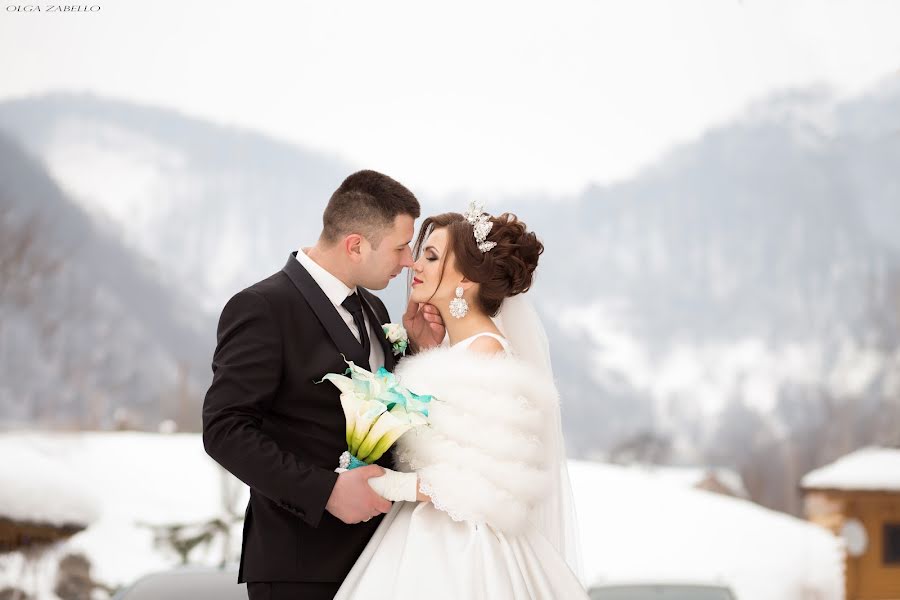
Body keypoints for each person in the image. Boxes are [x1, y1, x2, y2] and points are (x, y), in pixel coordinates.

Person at [202, 170, 445, 600]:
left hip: (380, 559)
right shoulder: (262, 308)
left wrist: (416, 355)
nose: (409, 260)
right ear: (355, 245)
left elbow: (381, 406)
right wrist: (326, 491)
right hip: (300, 565)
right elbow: (225, 430)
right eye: (400, 246)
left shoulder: (373, 306)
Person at [335, 202, 588, 599]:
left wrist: (388, 484)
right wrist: (419, 348)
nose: (415, 265)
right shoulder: (455, 351)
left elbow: (485, 482)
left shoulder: (486, 353)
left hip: (462, 551)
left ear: (466, 280)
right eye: (421, 254)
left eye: (432, 257)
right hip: (419, 532)